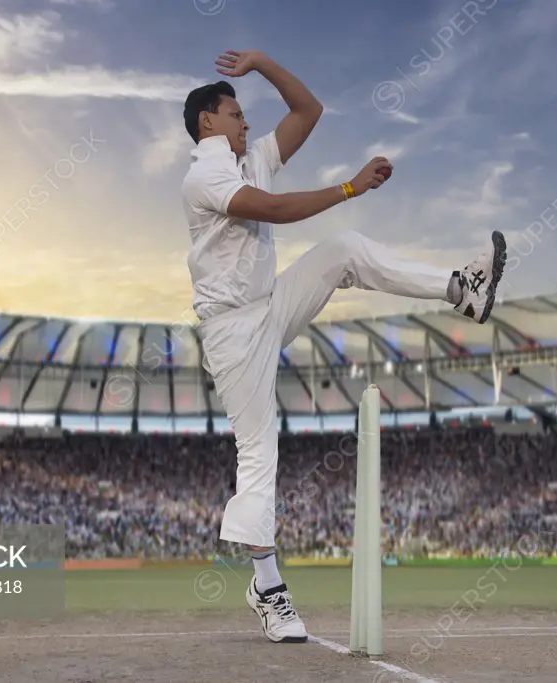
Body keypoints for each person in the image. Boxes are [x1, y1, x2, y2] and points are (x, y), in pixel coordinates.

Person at [180, 49, 507, 644]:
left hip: (268, 304)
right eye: (235, 114)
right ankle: (267, 587)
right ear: (207, 122)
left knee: (347, 249)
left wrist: (260, 62)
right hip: (231, 331)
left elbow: (309, 109)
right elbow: (273, 211)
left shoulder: (249, 158)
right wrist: (351, 186)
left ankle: (462, 290)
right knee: (258, 449)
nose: (245, 122)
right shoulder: (204, 174)